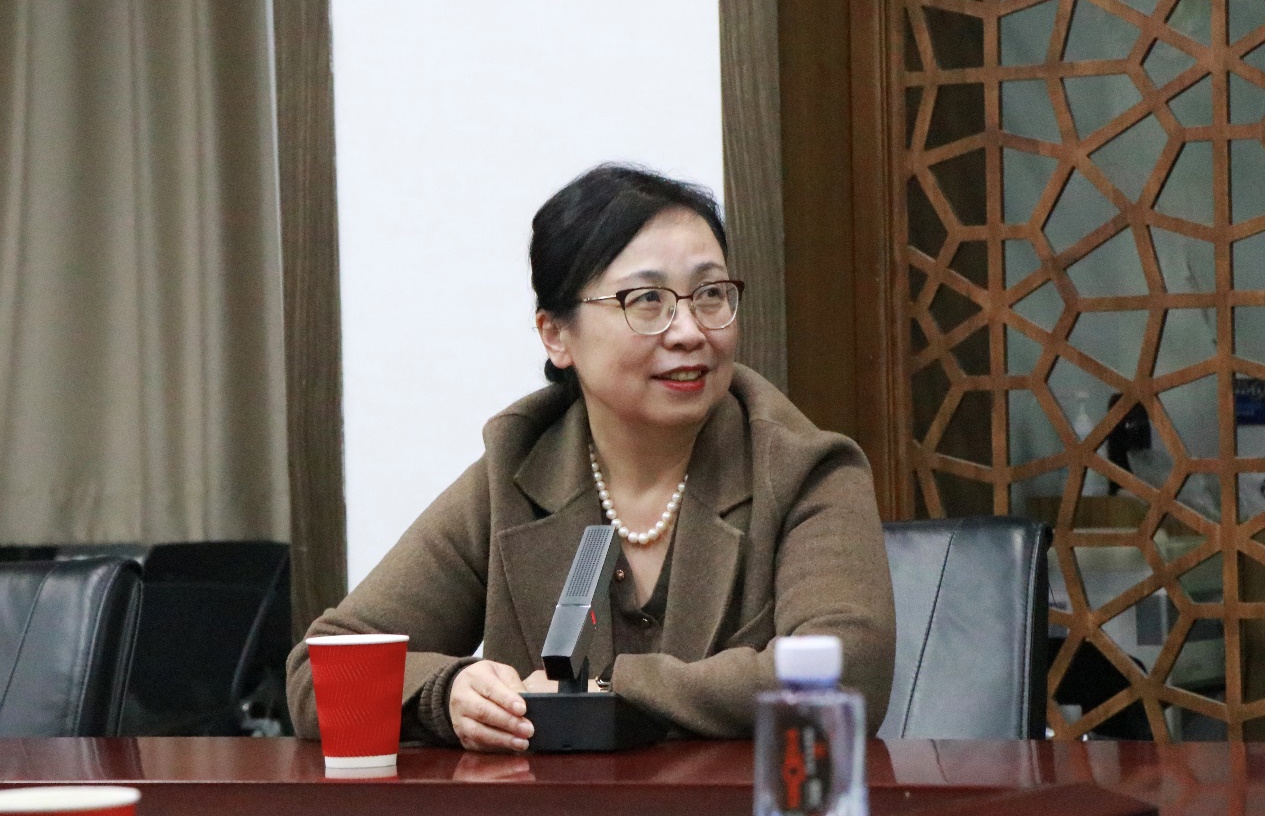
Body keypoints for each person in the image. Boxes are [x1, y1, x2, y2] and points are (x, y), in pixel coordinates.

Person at [286, 163, 896, 751]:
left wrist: (605, 692)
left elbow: (847, 671)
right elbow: (322, 673)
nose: (689, 331)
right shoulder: (515, 473)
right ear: (557, 335)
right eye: (647, 300)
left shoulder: (804, 471)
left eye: (710, 295)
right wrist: (447, 695)